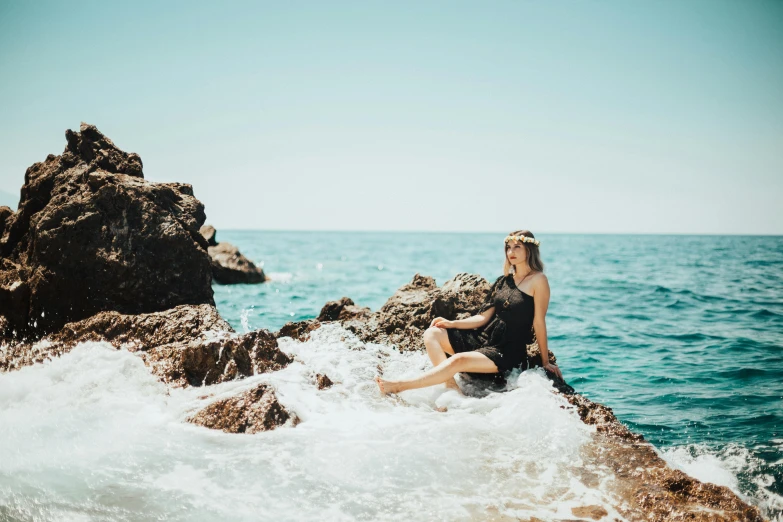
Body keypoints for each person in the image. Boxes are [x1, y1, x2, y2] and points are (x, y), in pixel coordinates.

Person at [375, 230, 563, 395]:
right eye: (508, 247)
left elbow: (539, 322)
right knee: (432, 333)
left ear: (529, 250)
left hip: (508, 351)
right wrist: (451, 323)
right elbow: (483, 317)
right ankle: (452, 388)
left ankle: (400, 386)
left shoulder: (539, 280)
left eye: (517, 247)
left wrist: (545, 361)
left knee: (459, 360)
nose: (511, 252)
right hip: (484, 339)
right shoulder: (503, 280)